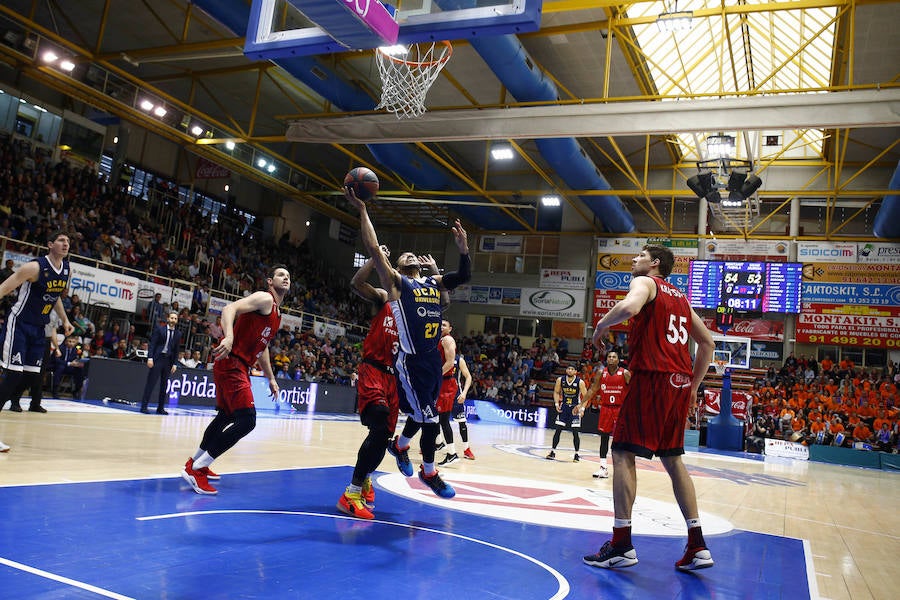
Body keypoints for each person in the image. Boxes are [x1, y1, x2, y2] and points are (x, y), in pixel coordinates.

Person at [583, 244, 715, 572]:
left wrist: (600, 327)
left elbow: (629, 307)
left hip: (653, 377)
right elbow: (708, 343)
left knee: (623, 453)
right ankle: (697, 545)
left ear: (654, 263)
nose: (634, 260)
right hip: (680, 383)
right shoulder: (682, 299)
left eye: (640, 255)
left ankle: (621, 544)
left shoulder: (646, 283)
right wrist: (694, 387)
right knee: (673, 460)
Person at [346, 186, 470, 499]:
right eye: (406, 257)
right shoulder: (394, 288)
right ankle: (426, 472)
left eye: (412, 257)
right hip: (402, 363)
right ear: (399, 267)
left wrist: (461, 251)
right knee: (425, 418)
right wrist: (363, 211)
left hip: (426, 361)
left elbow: (450, 294)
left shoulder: (431, 283)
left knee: (418, 417)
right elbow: (372, 251)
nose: (411, 255)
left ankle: (399, 447)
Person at [181, 265, 290, 495]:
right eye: (281, 275)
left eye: (288, 276)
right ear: (270, 281)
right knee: (247, 420)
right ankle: (199, 469)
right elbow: (230, 308)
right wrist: (229, 336)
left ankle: (195, 462)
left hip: (237, 364)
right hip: (232, 362)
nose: (286, 278)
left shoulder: (277, 314)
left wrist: (271, 378)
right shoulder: (264, 298)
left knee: (226, 416)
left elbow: (264, 347)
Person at [337, 247, 401, 520]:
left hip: (395, 378)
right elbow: (356, 284)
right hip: (374, 369)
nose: (410, 258)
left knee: (383, 435)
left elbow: (444, 300)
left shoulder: (415, 309)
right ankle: (351, 492)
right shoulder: (384, 297)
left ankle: (363, 480)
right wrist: (376, 260)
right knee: (379, 420)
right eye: (404, 257)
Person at [0, 230, 74, 414]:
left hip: (40, 328)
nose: (66, 244)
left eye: (68, 241)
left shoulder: (67, 269)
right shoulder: (34, 267)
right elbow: (4, 287)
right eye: (61, 240)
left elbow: (54, 296)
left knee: (32, 376)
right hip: (19, 323)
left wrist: (65, 320)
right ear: (50, 244)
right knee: (13, 375)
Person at [585, 351, 631, 478]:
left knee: (621, 440)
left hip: (620, 409)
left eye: (614, 357)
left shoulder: (625, 373)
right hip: (605, 409)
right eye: (609, 357)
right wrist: (582, 404)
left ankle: (623, 467)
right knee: (604, 438)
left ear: (618, 360)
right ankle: (603, 467)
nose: (611, 358)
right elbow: (593, 389)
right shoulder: (601, 373)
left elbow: (634, 391)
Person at [139, 311, 182, 414]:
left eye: (175, 319)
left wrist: (175, 363)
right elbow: (152, 344)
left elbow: (176, 350)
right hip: (158, 359)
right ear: (168, 319)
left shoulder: (178, 333)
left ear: (177, 321)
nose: (173, 320)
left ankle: (160, 408)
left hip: (168, 361)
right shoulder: (160, 329)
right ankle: (144, 406)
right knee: (151, 383)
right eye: (172, 318)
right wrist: (150, 358)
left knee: (164, 385)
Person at [546, 365, 587, 461]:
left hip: (575, 408)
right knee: (558, 430)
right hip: (564, 407)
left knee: (575, 432)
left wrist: (582, 409)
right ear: (566, 370)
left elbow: (585, 397)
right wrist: (556, 404)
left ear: (576, 371)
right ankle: (553, 451)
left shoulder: (580, 382)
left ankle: (576, 454)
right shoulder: (560, 380)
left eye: (572, 369)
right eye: (568, 368)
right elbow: (556, 392)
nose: (570, 370)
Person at [436, 319, 462, 466]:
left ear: (450, 328)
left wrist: (435, 376)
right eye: (440, 324)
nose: (441, 326)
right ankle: (440, 444)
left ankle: (451, 453)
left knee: (443, 419)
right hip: (442, 382)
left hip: (446, 383)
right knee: (438, 418)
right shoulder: (440, 339)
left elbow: (450, 362)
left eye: (444, 325)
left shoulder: (447, 339)